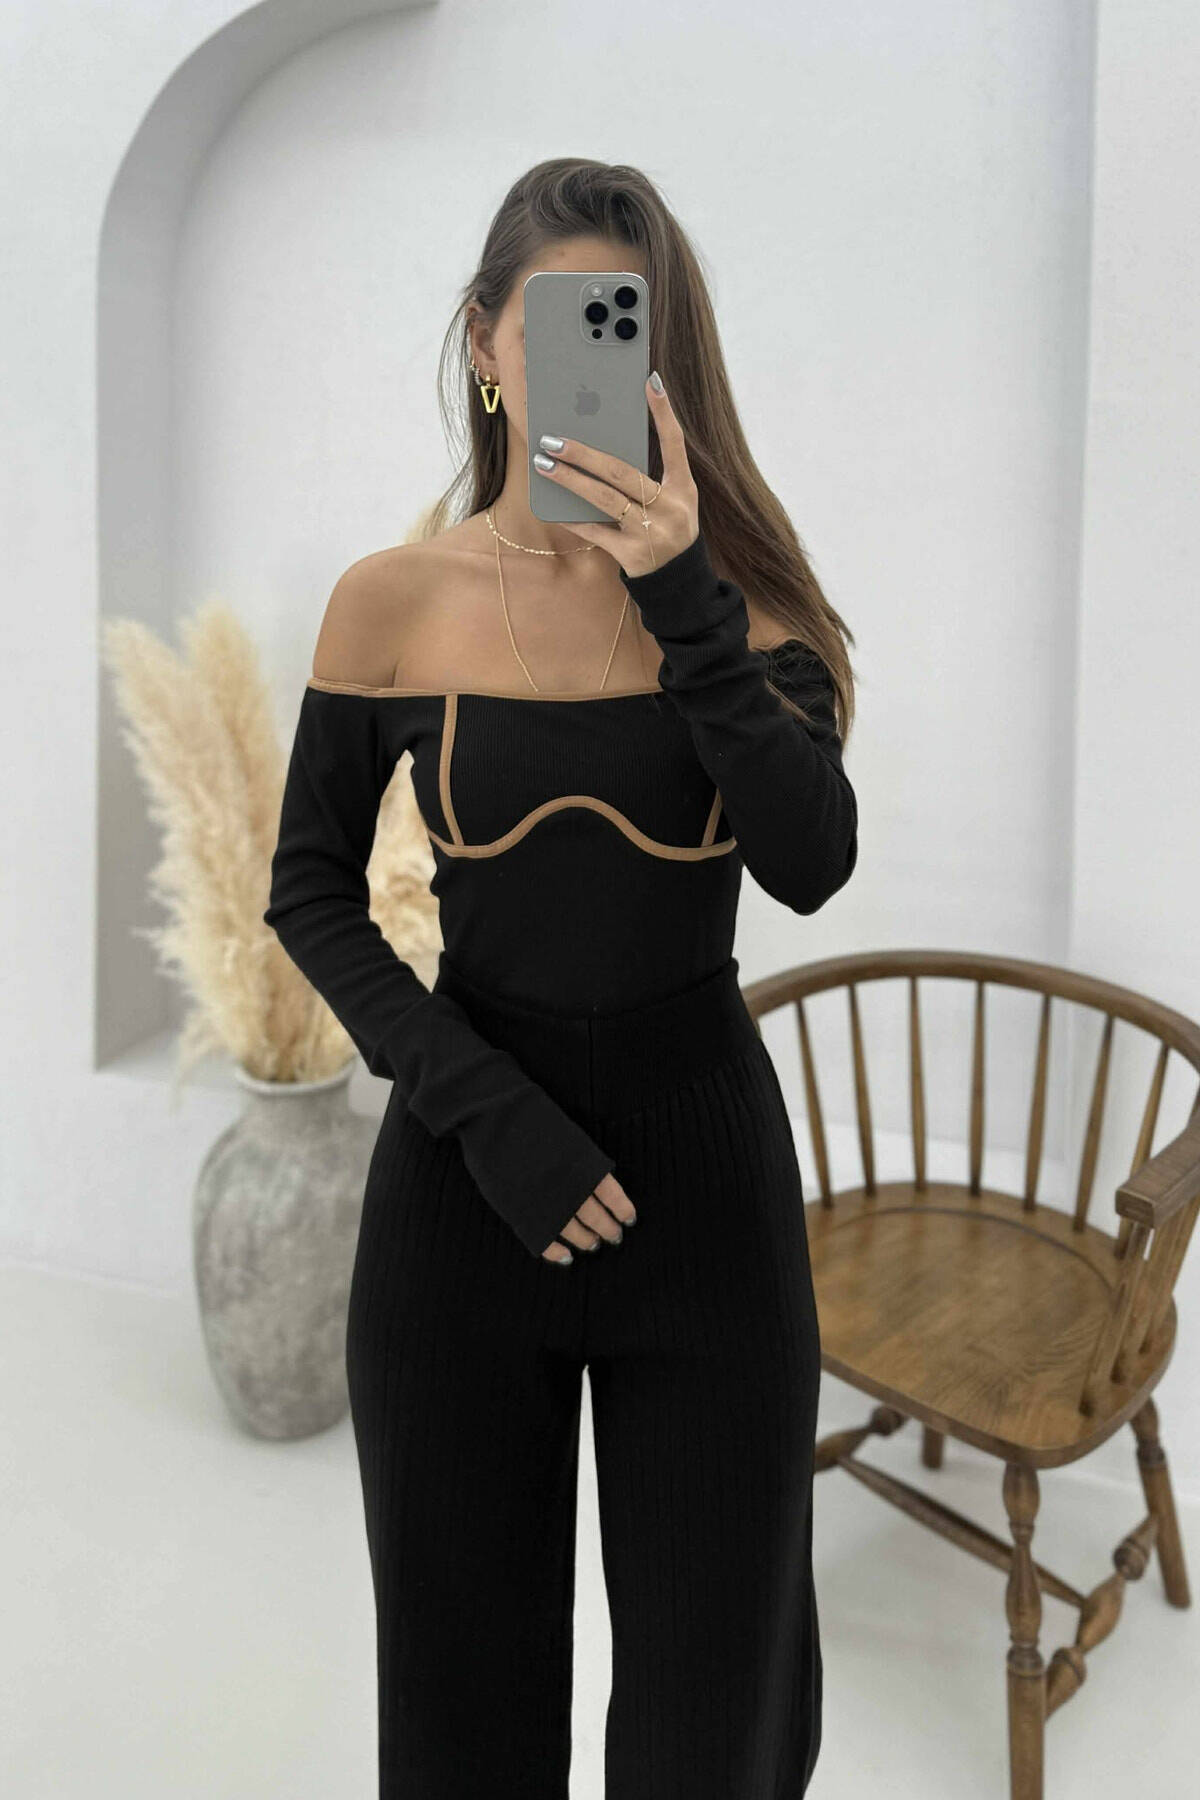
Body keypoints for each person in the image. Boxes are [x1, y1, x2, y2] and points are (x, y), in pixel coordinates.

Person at [263, 156, 858, 1800]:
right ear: (486, 345)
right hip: (464, 1193)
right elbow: (307, 889)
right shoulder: (393, 603)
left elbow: (811, 859)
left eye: (627, 327)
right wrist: (484, 1109)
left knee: (712, 1729)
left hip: (707, 1204)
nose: (593, 356)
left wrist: (682, 599)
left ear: (668, 358)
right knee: (461, 1721)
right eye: (559, 323)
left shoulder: (748, 611)